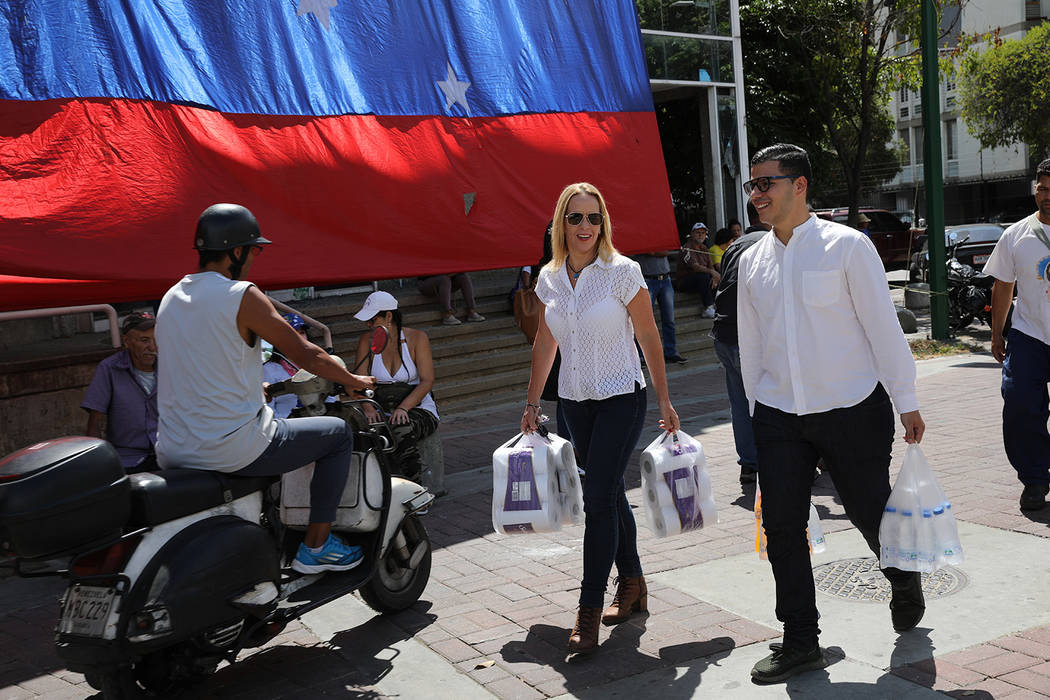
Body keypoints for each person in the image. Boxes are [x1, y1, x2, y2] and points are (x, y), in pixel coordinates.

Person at [737, 144, 927, 683]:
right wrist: (755, 412)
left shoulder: (848, 247)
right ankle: (800, 638)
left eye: (766, 183)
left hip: (851, 408)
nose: (756, 195)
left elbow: (882, 328)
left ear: (799, 185)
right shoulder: (751, 261)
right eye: (752, 185)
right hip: (778, 415)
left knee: (871, 513)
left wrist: (906, 398)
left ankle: (902, 574)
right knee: (782, 527)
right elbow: (751, 346)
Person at [156, 203, 376, 574]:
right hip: (231, 445)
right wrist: (354, 380)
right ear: (236, 251)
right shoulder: (241, 294)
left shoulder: (171, 297)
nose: (255, 259)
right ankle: (316, 546)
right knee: (338, 434)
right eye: (255, 250)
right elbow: (305, 352)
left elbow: (200, 359)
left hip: (174, 448)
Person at [521, 182, 680, 655]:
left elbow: (650, 336)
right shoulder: (548, 277)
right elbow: (545, 342)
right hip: (574, 401)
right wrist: (533, 403)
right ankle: (632, 583)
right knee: (608, 493)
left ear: (603, 223)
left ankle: (587, 610)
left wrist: (665, 400)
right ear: (560, 225)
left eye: (593, 217)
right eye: (575, 218)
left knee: (597, 500)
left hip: (621, 398)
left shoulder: (623, 272)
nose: (585, 226)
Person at [985, 157, 1050, 511]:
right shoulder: (1016, 235)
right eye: (1042, 188)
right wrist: (998, 334)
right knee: (1020, 402)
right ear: (1035, 190)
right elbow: (1003, 286)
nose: (1047, 195)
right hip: (1030, 334)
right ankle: (1035, 479)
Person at [353, 291, 441, 485]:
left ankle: (414, 489)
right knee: (361, 430)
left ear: (389, 316)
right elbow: (358, 382)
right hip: (380, 407)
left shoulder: (417, 338)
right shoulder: (366, 341)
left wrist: (404, 408)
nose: (368, 325)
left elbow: (427, 380)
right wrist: (368, 408)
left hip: (417, 407)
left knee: (400, 427)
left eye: (372, 319)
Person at [711, 225, 767, 485]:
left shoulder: (733, 246)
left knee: (739, 403)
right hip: (750, 335)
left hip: (724, 334)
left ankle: (748, 464)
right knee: (771, 403)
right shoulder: (771, 243)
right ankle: (782, 462)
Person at [81, 311, 159, 472]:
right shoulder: (109, 369)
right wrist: (95, 465)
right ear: (127, 342)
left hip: (168, 453)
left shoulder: (171, 365)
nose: (152, 347)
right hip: (128, 459)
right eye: (144, 340)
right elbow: (95, 421)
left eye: (156, 340)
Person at [633, 246, 686, 364]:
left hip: (665, 279)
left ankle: (670, 352)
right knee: (644, 321)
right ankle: (642, 355)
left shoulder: (660, 236)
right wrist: (655, 251)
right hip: (647, 279)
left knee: (669, 319)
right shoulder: (640, 237)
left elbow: (663, 252)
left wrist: (654, 252)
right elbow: (657, 252)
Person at [675, 222, 720, 319]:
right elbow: (695, 267)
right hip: (684, 282)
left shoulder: (704, 248)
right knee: (704, 276)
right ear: (692, 234)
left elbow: (710, 266)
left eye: (703, 233)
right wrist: (712, 272)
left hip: (701, 281)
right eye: (698, 232)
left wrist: (715, 274)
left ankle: (717, 305)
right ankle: (708, 307)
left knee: (716, 276)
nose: (700, 235)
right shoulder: (687, 248)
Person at [418, 273, 485, 325]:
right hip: (426, 282)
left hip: (448, 279)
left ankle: (472, 311)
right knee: (444, 279)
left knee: (463, 277)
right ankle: (447, 314)